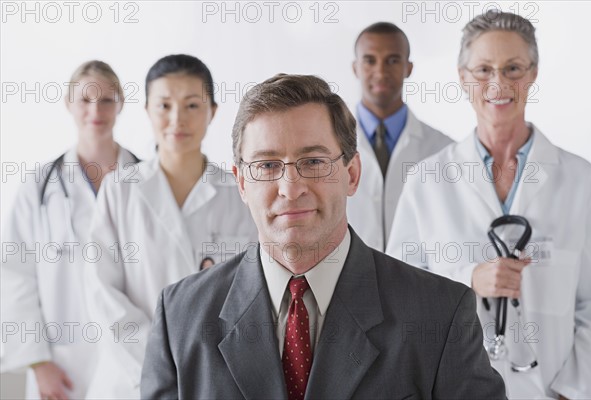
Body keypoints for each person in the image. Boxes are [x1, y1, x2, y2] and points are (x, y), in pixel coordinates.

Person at [140, 73, 506, 399]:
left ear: (352, 174)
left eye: (313, 162)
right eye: (267, 166)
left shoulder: (440, 312)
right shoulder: (181, 316)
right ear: (241, 182)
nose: (290, 187)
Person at [387, 11, 591, 399]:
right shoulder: (427, 181)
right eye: (483, 69)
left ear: (533, 73)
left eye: (513, 68)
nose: (498, 83)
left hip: (551, 391)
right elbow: (396, 297)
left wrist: (575, 391)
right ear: (463, 77)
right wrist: (469, 279)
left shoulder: (581, 181)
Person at [83, 54, 257, 399]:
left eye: (192, 105)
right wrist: (160, 367)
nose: (178, 119)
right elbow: (103, 293)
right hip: (129, 380)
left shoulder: (239, 195)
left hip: (214, 377)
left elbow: (251, 296)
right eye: (164, 105)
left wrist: (198, 369)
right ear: (147, 109)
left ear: (213, 112)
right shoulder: (120, 190)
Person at [1, 60, 140, 399]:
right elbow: (15, 275)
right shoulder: (39, 187)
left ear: (121, 103)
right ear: (68, 103)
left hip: (132, 358)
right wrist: (37, 362)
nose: (96, 110)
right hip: (61, 368)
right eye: (85, 100)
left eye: (107, 100)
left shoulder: (145, 182)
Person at [347, 22, 453, 251]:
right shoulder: (327, 145)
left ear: (409, 68)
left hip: (418, 281)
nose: (381, 72)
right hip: (347, 281)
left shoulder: (443, 151)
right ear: (355, 68)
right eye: (369, 60)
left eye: (393, 60)